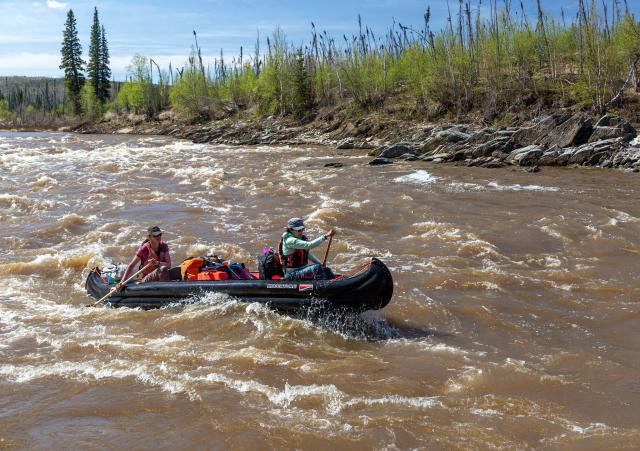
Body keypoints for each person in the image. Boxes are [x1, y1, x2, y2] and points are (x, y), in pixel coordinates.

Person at [115, 226, 171, 291]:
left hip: (162, 275)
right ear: (149, 237)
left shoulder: (164, 246)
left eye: (160, 234)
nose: (159, 237)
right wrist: (121, 282)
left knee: (176, 269)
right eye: (156, 235)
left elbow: (169, 265)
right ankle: (164, 292)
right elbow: (131, 265)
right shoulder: (144, 249)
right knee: (163, 269)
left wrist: (157, 263)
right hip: (147, 278)